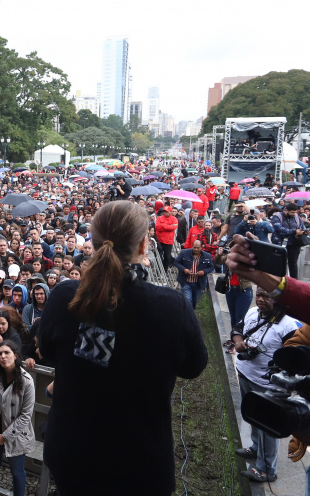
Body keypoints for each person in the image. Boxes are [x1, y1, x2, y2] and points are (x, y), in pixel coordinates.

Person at [39, 200, 207, 495]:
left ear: (92, 242)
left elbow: (49, 351)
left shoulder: (65, 295)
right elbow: (194, 366)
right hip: (140, 460)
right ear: (143, 245)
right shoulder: (171, 306)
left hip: (73, 451)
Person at [230, 289, 300, 483]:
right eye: (258, 295)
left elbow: (296, 359)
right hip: (245, 375)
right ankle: (255, 447)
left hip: (268, 385)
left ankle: (267, 469)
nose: (260, 299)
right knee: (253, 416)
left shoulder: (288, 325)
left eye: (266, 296)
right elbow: (237, 329)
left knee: (269, 427)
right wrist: (239, 343)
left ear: (277, 299)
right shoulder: (253, 312)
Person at [0, 340, 34, 496]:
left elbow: (26, 415)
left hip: (16, 434)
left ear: (15, 355)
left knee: (17, 472)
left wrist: (5, 436)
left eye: (7, 353)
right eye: (0, 353)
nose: (3, 356)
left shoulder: (26, 381)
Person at [174, 239, 215, 309]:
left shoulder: (207, 256)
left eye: (198, 248)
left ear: (201, 247)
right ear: (192, 246)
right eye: (194, 247)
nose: (196, 249)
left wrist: (204, 271)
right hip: (186, 282)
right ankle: (188, 313)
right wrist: (184, 269)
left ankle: (191, 312)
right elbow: (176, 262)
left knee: (195, 300)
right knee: (188, 300)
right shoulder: (184, 253)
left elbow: (211, 267)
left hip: (199, 283)